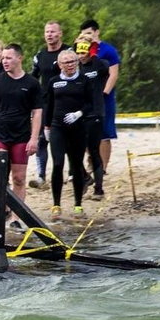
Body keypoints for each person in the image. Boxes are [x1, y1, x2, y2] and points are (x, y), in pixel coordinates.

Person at [0, 43, 42, 227]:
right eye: (3, 58)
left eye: (8, 58)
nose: (4, 61)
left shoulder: (32, 83)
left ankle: (17, 218)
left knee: (19, 178)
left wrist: (34, 138)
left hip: (21, 136)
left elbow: (37, 112)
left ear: (19, 58)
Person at [44, 49, 98, 221]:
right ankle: (56, 205)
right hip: (58, 127)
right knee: (58, 164)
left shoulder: (84, 80)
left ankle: (78, 204)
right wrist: (46, 127)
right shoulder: (54, 82)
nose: (70, 65)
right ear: (60, 64)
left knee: (76, 165)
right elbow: (49, 105)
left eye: (73, 61)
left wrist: (79, 113)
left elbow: (91, 103)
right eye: (66, 62)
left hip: (78, 127)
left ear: (77, 62)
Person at [28, 21, 74, 189]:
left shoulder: (69, 52)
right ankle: (41, 176)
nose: (49, 35)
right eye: (47, 32)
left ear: (60, 34)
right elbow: (33, 78)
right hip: (45, 102)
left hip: (66, 101)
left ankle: (72, 173)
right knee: (41, 140)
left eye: (53, 32)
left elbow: (78, 74)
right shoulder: (40, 55)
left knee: (67, 139)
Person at [78, 19, 120, 173]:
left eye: (89, 33)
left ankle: (103, 167)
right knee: (86, 132)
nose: (87, 36)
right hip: (85, 98)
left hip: (104, 98)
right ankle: (92, 161)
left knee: (104, 133)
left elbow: (113, 75)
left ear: (97, 32)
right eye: (84, 34)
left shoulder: (108, 50)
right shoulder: (80, 49)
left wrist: (104, 94)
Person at [75, 38, 110, 200]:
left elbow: (106, 70)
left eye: (84, 52)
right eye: (79, 52)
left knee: (94, 151)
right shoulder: (76, 68)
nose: (81, 56)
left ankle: (99, 188)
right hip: (79, 114)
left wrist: (94, 50)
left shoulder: (99, 65)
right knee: (75, 150)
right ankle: (85, 178)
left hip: (95, 113)